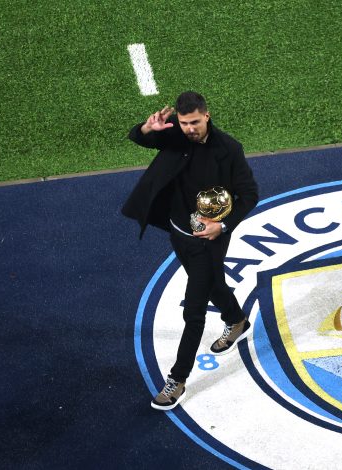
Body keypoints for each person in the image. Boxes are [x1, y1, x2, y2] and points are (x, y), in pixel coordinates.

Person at [122, 91, 259, 410]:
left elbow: (249, 194)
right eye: (184, 123)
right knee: (212, 284)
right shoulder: (175, 132)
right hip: (178, 231)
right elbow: (139, 139)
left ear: (207, 116)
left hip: (209, 240)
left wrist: (222, 226)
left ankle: (177, 380)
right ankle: (236, 320)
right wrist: (146, 129)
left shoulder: (229, 149)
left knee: (193, 311)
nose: (189, 129)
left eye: (195, 122)